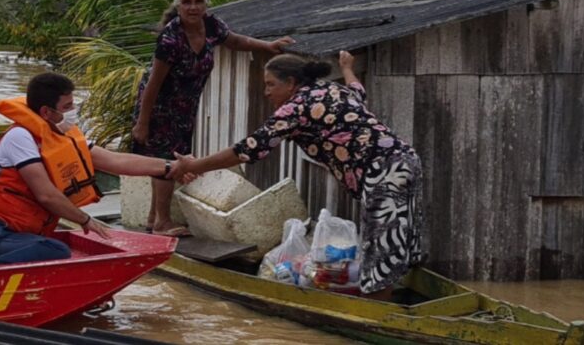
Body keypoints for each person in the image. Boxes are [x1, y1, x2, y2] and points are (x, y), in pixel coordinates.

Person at [0, 72, 193, 274]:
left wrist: (169, 167)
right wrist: (86, 221)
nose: (72, 112)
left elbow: (114, 161)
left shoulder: (66, 135)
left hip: (19, 233)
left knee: (55, 249)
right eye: (68, 106)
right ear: (47, 112)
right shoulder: (21, 137)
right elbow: (45, 194)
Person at [172, 51, 423, 300]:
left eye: (271, 84)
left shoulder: (295, 107)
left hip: (382, 171)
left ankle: (378, 313)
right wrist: (346, 68)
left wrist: (195, 166)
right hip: (405, 160)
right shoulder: (331, 90)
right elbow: (357, 90)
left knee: (382, 246)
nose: (267, 92)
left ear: (291, 83)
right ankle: (402, 296)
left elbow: (249, 148)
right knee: (400, 237)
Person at [131, 0, 294, 237]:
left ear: (206, 4)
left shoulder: (211, 25)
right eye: (187, 2)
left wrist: (267, 46)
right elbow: (153, 84)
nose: (193, 7)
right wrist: (143, 122)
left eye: (198, 1)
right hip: (161, 106)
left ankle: (154, 217)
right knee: (165, 161)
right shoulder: (170, 39)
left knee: (171, 159)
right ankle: (162, 222)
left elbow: (235, 41)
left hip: (185, 105)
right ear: (178, 5)